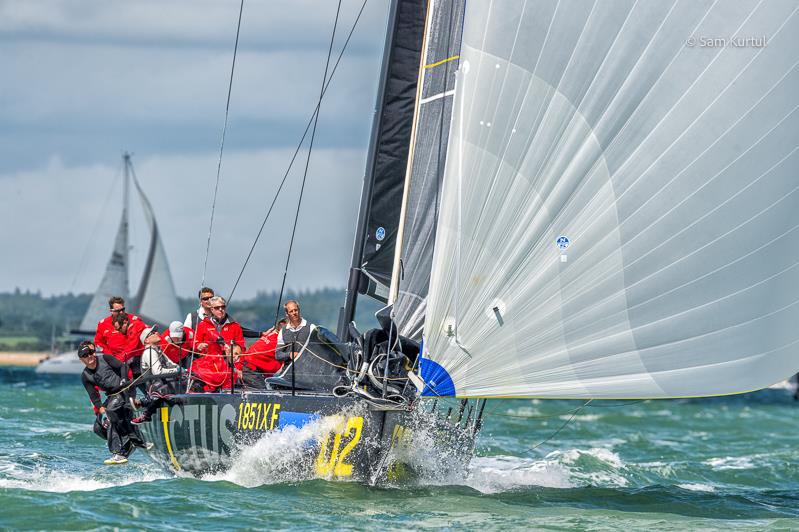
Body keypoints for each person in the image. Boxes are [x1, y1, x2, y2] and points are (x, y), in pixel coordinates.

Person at [78, 340, 148, 465]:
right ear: (81, 360)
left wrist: (123, 380)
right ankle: (129, 441)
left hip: (125, 389)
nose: (89, 357)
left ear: (94, 353)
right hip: (111, 396)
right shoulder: (85, 376)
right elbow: (94, 396)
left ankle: (118, 453)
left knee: (110, 415)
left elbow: (124, 366)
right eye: (85, 356)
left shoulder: (105, 358)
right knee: (98, 427)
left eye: (90, 353)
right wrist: (101, 410)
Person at [192, 296, 245, 391]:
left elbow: (241, 348)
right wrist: (198, 346)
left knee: (228, 393)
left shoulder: (235, 326)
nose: (220, 310)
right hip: (208, 367)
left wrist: (239, 367)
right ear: (211, 309)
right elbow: (195, 344)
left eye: (223, 307)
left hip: (228, 367)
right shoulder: (203, 325)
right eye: (217, 308)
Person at [131, 326, 183, 424]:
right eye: (152, 333)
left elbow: (170, 364)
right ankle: (145, 409)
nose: (156, 333)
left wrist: (182, 370)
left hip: (164, 382)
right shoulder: (149, 352)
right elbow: (158, 372)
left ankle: (143, 404)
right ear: (146, 340)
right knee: (166, 388)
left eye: (155, 331)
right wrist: (175, 370)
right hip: (155, 385)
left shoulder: (158, 350)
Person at [237, 319, 286, 389]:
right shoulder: (279, 342)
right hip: (251, 370)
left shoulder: (272, 335)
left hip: (249, 368)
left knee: (266, 392)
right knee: (263, 396)